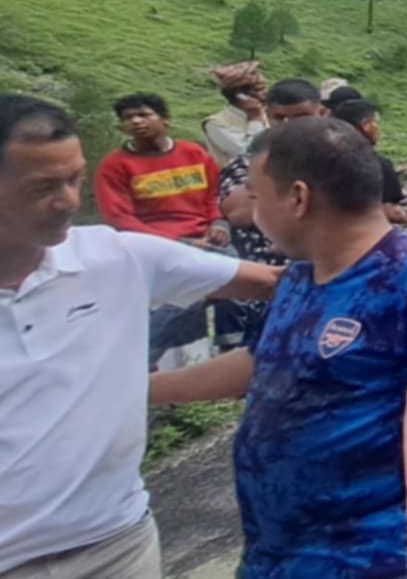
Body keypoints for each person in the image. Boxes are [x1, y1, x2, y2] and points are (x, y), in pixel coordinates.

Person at [149, 119, 407, 578]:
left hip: (379, 553)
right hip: (278, 552)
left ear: (297, 197)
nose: (247, 211)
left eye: (255, 197)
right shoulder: (299, 278)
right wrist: (143, 389)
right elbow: (264, 362)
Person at [0, 94, 278, 579]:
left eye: (74, 179)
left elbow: (277, 281)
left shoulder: (119, 257)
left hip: (116, 544)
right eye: (43, 187)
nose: (67, 200)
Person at [215, 78, 324, 351]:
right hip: (268, 285)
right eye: (279, 119)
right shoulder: (245, 164)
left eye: (300, 117)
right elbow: (239, 212)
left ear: (321, 113)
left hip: (330, 278)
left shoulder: (343, 158)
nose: (289, 127)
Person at [93, 93, 231, 247]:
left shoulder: (194, 153)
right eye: (127, 118)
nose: (136, 121)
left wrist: (219, 223)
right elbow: (119, 217)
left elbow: (215, 194)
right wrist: (180, 243)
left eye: (144, 115)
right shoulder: (113, 165)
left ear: (165, 120)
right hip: (150, 243)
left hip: (205, 235)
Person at [331, 99, 407, 225]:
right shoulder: (379, 165)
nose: (377, 128)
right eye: (375, 122)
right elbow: (389, 212)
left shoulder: (323, 160)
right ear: (366, 125)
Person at [200, 61, 268, 167]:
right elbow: (247, 152)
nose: (266, 92)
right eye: (259, 89)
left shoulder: (268, 113)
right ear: (240, 95)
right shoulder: (215, 123)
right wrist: (255, 119)